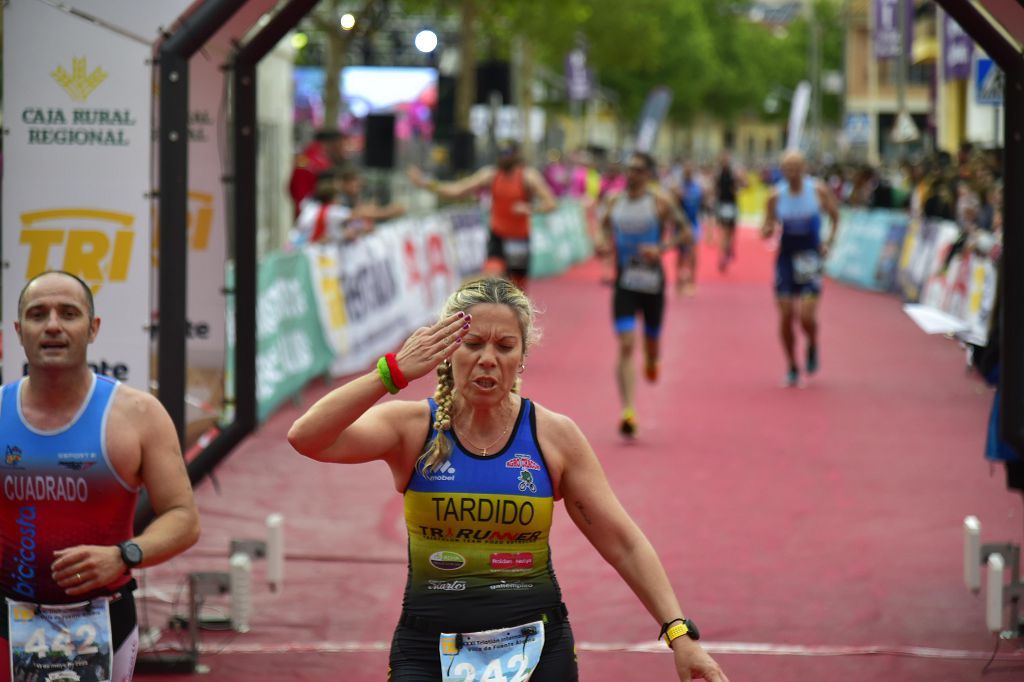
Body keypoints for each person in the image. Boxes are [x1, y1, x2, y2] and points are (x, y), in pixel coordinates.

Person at [287, 277, 728, 682]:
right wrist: (393, 371)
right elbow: (307, 438)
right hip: (427, 650)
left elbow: (624, 543)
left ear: (522, 357)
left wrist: (679, 634)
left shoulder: (552, 436)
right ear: (447, 351)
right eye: (472, 343)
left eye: (504, 346)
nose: (487, 360)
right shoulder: (412, 428)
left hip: (537, 648)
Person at [1, 271, 201, 681]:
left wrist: (123, 555)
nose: (53, 325)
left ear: (93, 329)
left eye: (68, 313)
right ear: (19, 332)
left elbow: (184, 518)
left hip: (103, 619)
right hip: (6, 619)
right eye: (38, 315)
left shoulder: (138, 415)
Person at [598, 152, 690, 437]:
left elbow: (687, 232)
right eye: (629, 169)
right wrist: (602, 244)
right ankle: (628, 411)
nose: (632, 174)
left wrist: (661, 249)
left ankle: (652, 359)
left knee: (651, 342)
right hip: (624, 281)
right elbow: (603, 227)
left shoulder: (660, 202)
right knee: (626, 344)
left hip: (652, 283)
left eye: (638, 169)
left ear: (648, 174)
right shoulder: (615, 201)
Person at [408, 140, 557, 290]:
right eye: (500, 153)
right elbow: (457, 190)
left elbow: (551, 203)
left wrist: (529, 208)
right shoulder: (491, 175)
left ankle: (517, 312)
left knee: (517, 289)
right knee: (492, 276)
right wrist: (426, 183)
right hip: (497, 236)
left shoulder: (528, 177)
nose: (502, 157)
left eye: (507, 153)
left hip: (518, 238)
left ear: (516, 155)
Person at [760, 150, 840, 387]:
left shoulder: (817, 191)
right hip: (785, 258)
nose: (792, 171)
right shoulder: (775, 195)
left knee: (806, 316)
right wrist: (766, 230)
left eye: (796, 166)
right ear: (782, 170)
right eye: (787, 167)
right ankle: (792, 365)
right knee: (786, 315)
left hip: (810, 258)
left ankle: (813, 342)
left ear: (804, 168)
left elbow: (835, 216)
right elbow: (767, 225)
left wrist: (829, 242)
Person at [289, 128, 347, 217]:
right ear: (331, 144)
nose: (344, 152)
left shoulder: (314, 159)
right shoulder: (316, 163)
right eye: (341, 146)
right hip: (312, 216)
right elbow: (299, 193)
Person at [672, 161, 705, 296]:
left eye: (689, 172)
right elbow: (672, 208)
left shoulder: (697, 189)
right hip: (679, 226)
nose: (687, 174)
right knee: (680, 255)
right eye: (685, 172)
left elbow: (702, 207)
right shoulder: (677, 188)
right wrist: (677, 197)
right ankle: (679, 282)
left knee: (692, 254)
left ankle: (692, 281)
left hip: (693, 224)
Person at [713, 152, 745, 272]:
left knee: (732, 231)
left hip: (732, 204)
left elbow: (744, 184)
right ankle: (723, 257)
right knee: (725, 232)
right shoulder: (718, 173)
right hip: (723, 205)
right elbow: (715, 188)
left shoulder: (734, 173)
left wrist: (738, 185)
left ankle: (729, 248)